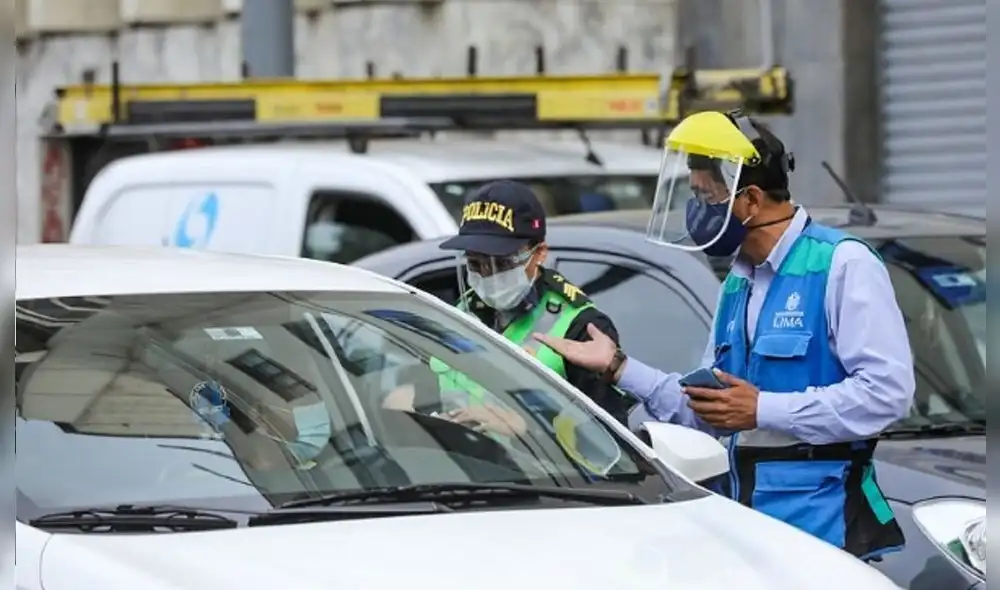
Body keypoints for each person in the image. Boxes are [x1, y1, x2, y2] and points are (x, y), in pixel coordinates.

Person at [534, 109, 914, 560]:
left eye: (705, 195)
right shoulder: (738, 281)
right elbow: (710, 410)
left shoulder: (843, 264)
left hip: (825, 531)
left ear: (750, 200)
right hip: (746, 530)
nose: (696, 209)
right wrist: (618, 367)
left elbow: (887, 393)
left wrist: (763, 409)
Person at [384, 180, 634, 434]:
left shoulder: (581, 327)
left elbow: (612, 441)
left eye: (502, 264)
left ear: (539, 253)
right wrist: (405, 404)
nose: (488, 275)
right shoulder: (458, 314)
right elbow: (424, 389)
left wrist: (530, 429)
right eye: (475, 264)